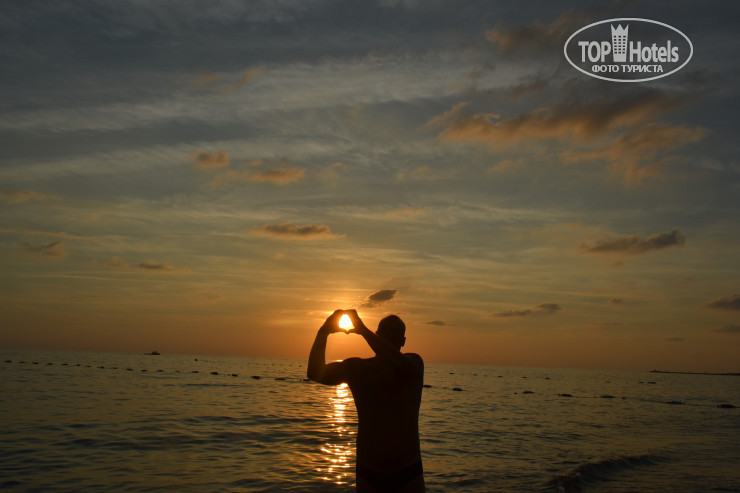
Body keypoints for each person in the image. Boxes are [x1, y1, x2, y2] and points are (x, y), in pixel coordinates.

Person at [307, 309, 425, 492]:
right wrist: (323, 331)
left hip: (408, 470)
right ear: (378, 334)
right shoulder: (358, 368)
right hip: (368, 470)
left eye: (395, 332)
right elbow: (315, 373)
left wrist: (362, 330)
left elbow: (400, 364)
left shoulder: (413, 363)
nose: (389, 335)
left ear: (403, 341)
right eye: (385, 331)